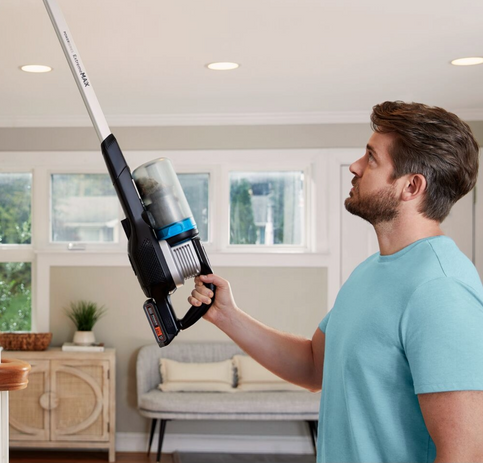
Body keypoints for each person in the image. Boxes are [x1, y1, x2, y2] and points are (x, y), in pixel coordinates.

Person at [190, 101, 483, 463]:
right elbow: (314, 366)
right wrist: (227, 315)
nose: (356, 167)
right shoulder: (372, 271)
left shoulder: (441, 289)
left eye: (372, 158)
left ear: (411, 186)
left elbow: (464, 454)